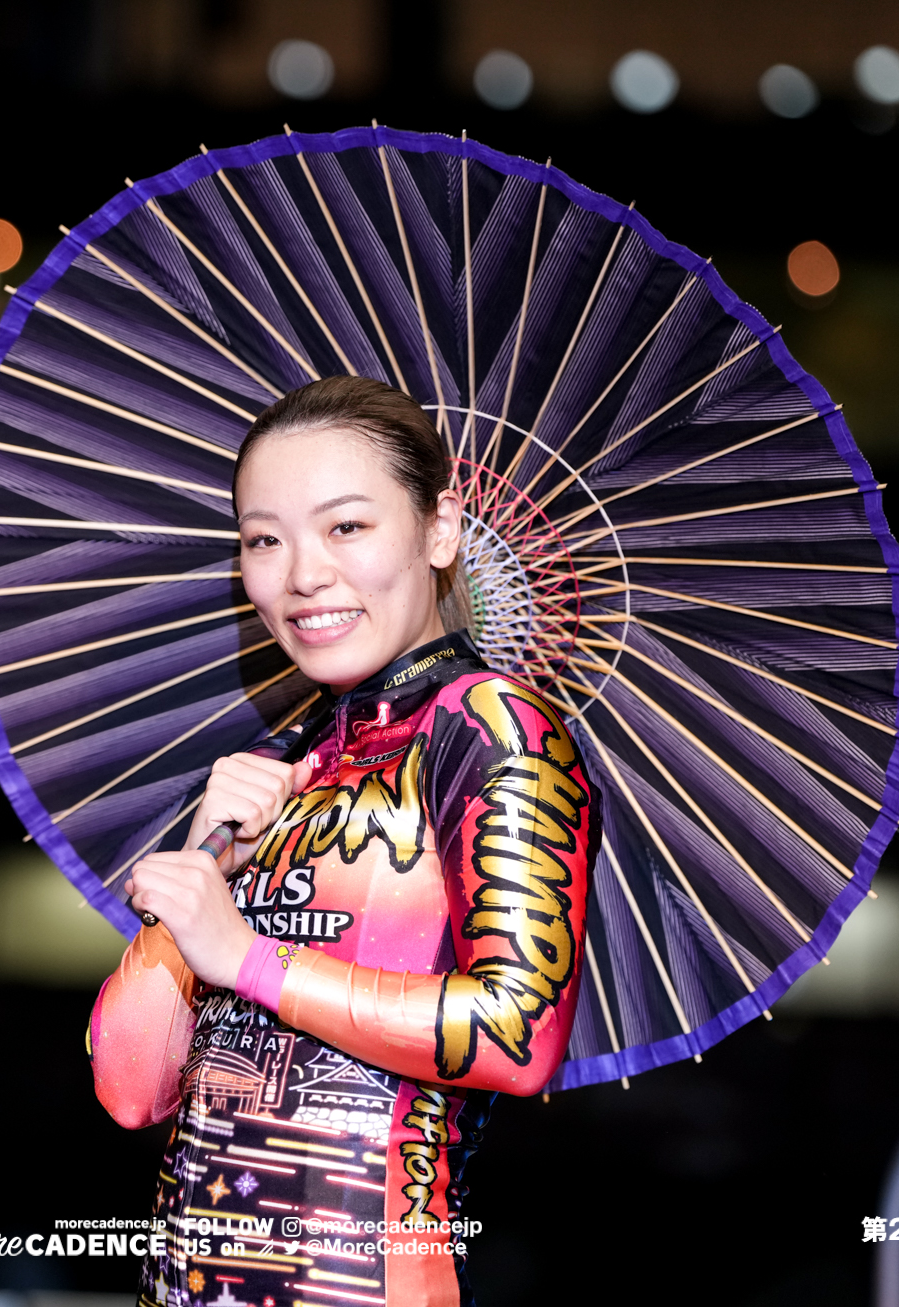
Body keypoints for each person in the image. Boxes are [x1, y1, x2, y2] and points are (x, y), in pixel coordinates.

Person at [89, 376, 600, 1307]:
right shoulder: (287, 767)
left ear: (440, 528)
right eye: (263, 540)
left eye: (346, 528)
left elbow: (518, 1037)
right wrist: (203, 868)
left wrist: (247, 957)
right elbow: (130, 1089)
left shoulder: (492, 731)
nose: (301, 576)